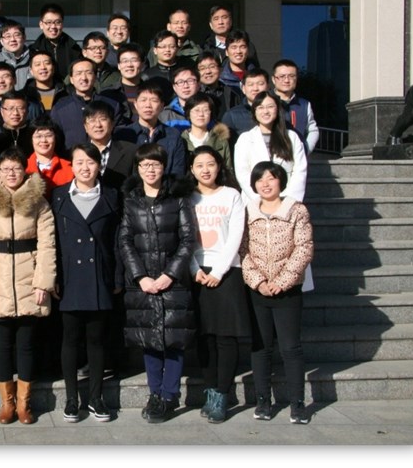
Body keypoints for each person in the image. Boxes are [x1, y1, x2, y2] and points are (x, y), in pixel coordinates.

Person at [0, 148, 56, 425]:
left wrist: (43, 282)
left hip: (29, 277)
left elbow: (47, 245)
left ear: (25, 171)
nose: (11, 173)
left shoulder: (39, 202)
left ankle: (24, 403)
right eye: (6, 169)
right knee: (3, 343)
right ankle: (6, 403)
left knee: (26, 344)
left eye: (16, 168)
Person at [118, 143, 196, 424]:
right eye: (145, 165)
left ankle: (169, 394)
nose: (150, 170)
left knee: (173, 340)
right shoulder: (131, 200)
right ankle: (155, 393)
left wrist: (169, 274)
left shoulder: (178, 197)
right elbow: (125, 240)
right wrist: (141, 276)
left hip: (173, 281)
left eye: (155, 164)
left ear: (164, 167)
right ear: (138, 169)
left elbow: (188, 239)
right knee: (149, 340)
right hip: (143, 283)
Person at [51, 143, 123, 424]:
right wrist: (53, 277)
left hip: (99, 276)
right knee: (70, 339)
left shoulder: (112, 196)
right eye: (79, 162)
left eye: (90, 162)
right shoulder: (59, 196)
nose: (85, 167)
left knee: (96, 340)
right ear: (71, 166)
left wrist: (117, 276)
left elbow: (117, 241)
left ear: (99, 166)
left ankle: (95, 397)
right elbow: (53, 242)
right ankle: (71, 399)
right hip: (69, 277)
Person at [240, 161, 314, 425]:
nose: (266, 184)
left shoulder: (296, 210)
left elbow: (304, 248)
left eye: (271, 178)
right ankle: (263, 401)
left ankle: (297, 404)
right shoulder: (247, 211)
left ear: (280, 181)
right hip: (258, 290)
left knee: (290, 348)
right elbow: (242, 249)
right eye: (260, 179)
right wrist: (258, 281)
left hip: (288, 291)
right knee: (261, 348)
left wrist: (282, 281)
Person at [187, 146, 249, 424]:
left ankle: (222, 394)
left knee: (226, 338)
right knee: (205, 338)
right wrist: (195, 269)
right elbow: (185, 237)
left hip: (227, 272)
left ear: (219, 166)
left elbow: (236, 235)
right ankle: (210, 390)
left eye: (210, 164)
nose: (205, 169)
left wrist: (219, 270)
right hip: (198, 272)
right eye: (199, 165)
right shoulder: (188, 198)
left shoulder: (232, 195)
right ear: (192, 170)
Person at [234, 91, 308, 204]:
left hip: (287, 201)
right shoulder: (245, 139)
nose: (265, 111)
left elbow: (299, 171)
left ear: (277, 109)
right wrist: (261, 200)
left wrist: (286, 201)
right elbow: (242, 174)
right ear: (254, 111)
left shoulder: (291, 137)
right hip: (255, 202)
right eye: (260, 107)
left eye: (270, 106)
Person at [114, 82, 187, 178]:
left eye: (154, 100)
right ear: (135, 104)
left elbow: (178, 173)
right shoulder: (123, 135)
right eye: (143, 100)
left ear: (162, 105)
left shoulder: (173, 135)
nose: (148, 105)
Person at [271, 59, 320, 153]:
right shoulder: (265, 102)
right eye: (282, 76)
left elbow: (313, 130)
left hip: (298, 157)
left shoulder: (304, 104)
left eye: (291, 76)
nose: (286, 80)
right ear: (273, 79)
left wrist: (306, 149)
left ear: (296, 78)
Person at [181, 93, 232, 171]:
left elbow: (228, 169)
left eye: (205, 110)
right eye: (196, 110)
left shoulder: (220, 140)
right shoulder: (181, 141)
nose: (201, 114)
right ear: (188, 113)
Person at [31, 3, 82, 81]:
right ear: (41, 24)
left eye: (57, 22)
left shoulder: (75, 49)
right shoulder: (33, 50)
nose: (53, 26)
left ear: (62, 24)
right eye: (48, 22)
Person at [25, 117, 73, 197]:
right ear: (31, 139)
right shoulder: (23, 168)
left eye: (48, 135)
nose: (44, 140)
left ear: (56, 138)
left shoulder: (69, 168)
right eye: (38, 136)